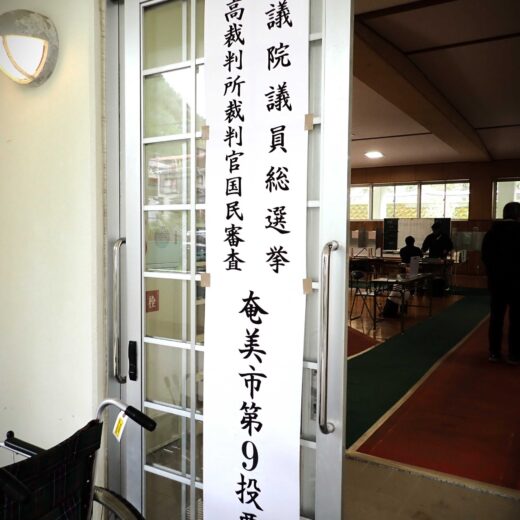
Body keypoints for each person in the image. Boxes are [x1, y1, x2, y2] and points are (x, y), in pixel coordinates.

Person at [481, 201, 520, 364]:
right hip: (517, 284)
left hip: (497, 283)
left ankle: (494, 352)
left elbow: (485, 257)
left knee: (496, 318)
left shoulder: (492, 233)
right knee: (516, 320)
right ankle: (514, 354)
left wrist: (493, 274)